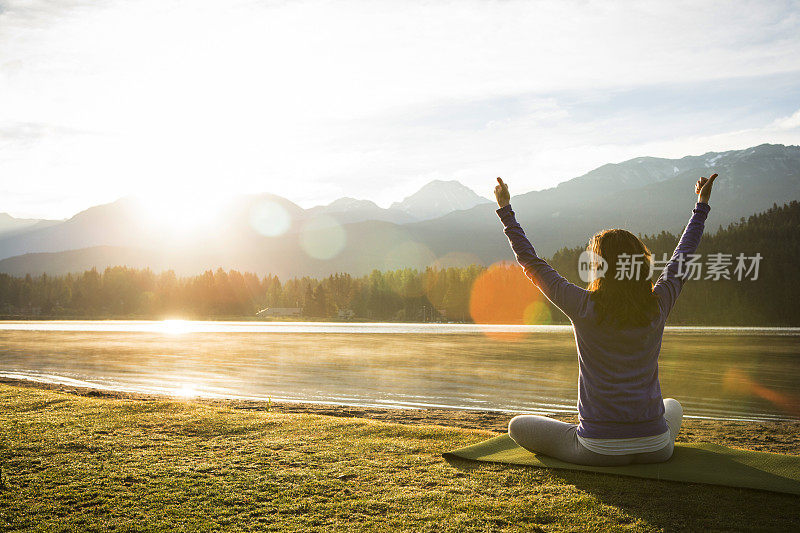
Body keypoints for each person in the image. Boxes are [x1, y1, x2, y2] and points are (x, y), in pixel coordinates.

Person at [494, 172, 718, 466]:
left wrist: (505, 210)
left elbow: (530, 262)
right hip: (657, 447)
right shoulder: (658, 303)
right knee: (672, 406)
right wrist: (701, 205)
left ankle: (594, 437)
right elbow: (683, 256)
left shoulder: (582, 304)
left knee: (517, 426)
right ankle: (646, 437)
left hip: (598, 449)